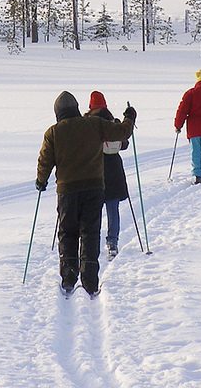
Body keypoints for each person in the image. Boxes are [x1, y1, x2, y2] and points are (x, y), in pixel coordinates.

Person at [36, 91, 136, 296]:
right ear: (75, 108)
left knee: (67, 232)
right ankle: (90, 281)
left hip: (67, 191)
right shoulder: (93, 124)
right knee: (90, 233)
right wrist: (129, 117)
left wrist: (41, 180)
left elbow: (45, 159)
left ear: (58, 113)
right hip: (93, 188)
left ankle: (68, 277)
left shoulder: (53, 132)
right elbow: (121, 133)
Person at [86, 91, 130, 260]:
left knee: (93, 211)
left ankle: (92, 243)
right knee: (113, 209)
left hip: (93, 171)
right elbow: (124, 144)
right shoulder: (113, 123)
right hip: (114, 171)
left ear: (90, 106)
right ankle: (112, 243)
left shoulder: (86, 123)